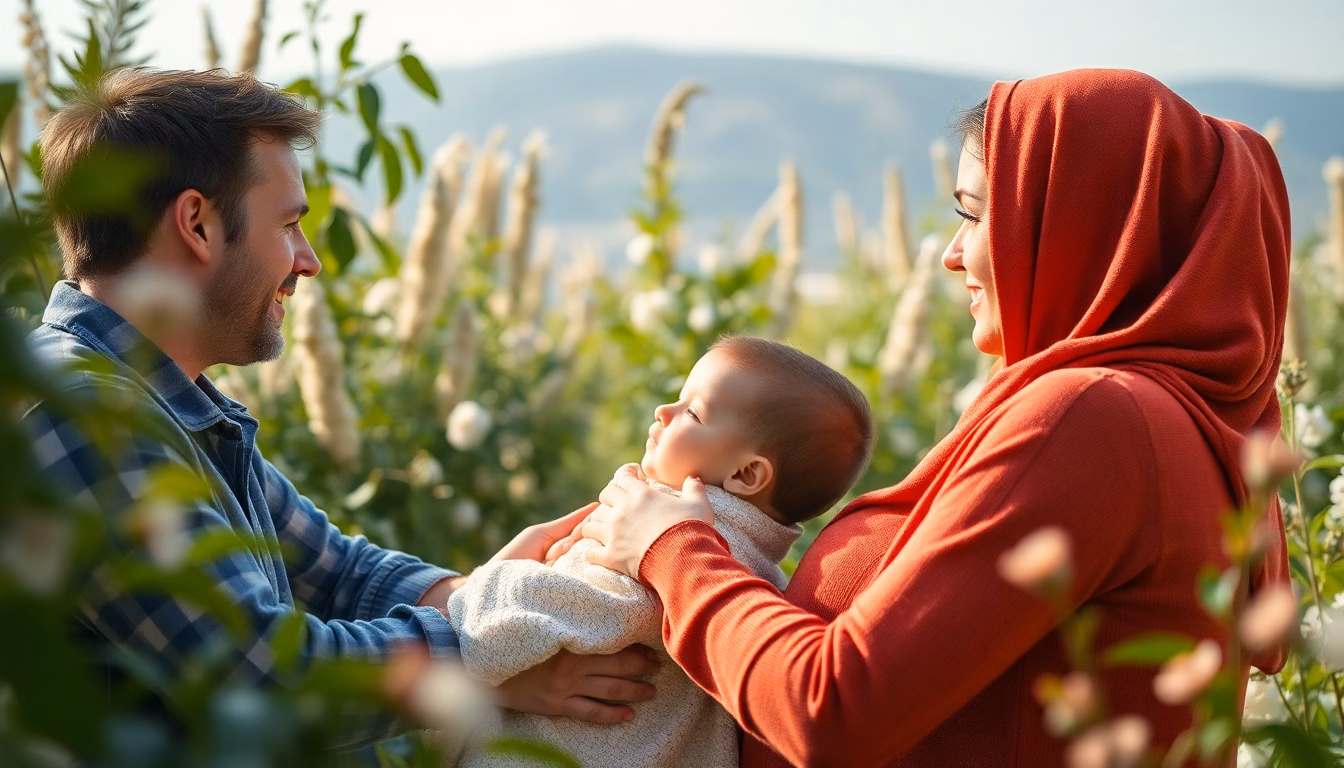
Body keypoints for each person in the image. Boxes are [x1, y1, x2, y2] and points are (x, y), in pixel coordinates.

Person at [571, 69, 1293, 765]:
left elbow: (834, 712)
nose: (951, 254)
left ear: (1085, 223)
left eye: (973, 214)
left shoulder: (1092, 417)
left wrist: (674, 546)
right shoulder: (1161, 422)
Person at [23, 68, 657, 747]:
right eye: (291, 224)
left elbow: (339, 571)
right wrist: (483, 656)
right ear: (198, 224)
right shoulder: (85, 417)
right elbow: (263, 678)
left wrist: (501, 605)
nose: (310, 260)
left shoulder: (172, 406)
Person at [444, 336, 874, 767]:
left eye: (691, 412)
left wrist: (495, 575)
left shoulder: (656, 551)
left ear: (745, 473)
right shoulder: (755, 578)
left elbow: (501, 631)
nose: (662, 412)